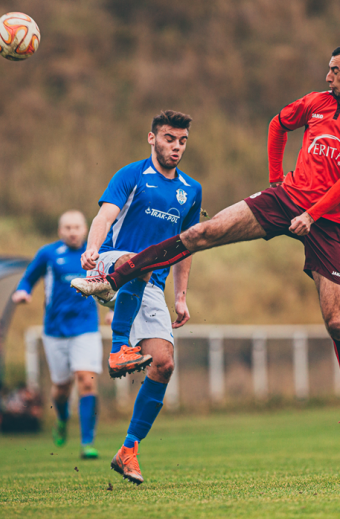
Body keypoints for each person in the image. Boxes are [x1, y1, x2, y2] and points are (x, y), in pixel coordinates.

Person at [73, 45, 340, 455]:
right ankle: (111, 278)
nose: (327, 77)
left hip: (330, 220)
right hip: (288, 199)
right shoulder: (317, 103)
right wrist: (277, 181)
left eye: (335, 71)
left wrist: (312, 214)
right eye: (327, 70)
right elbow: (278, 124)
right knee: (204, 231)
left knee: (336, 321)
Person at [73, 110, 202, 485]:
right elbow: (105, 215)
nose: (175, 147)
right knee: (140, 259)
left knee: (163, 363)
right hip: (112, 265)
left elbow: (186, 246)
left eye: (181, 141)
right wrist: (92, 250)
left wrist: (180, 295)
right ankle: (117, 348)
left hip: (148, 286)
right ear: (152, 138)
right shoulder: (130, 175)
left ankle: (128, 449)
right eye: (168, 139)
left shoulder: (191, 190)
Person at [12, 210, 103, 459]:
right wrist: (23, 292)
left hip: (85, 328)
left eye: (77, 227)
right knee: (61, 389)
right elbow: (28, 278)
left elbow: (112, 284)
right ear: (59, 231)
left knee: (86, 381)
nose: (72, 232)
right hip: (55, 330)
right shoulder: (48, 254)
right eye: (67, 228)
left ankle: (87, 442)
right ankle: (62, 418)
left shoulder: (96, 255)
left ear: (85, 230)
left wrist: (114, 310)